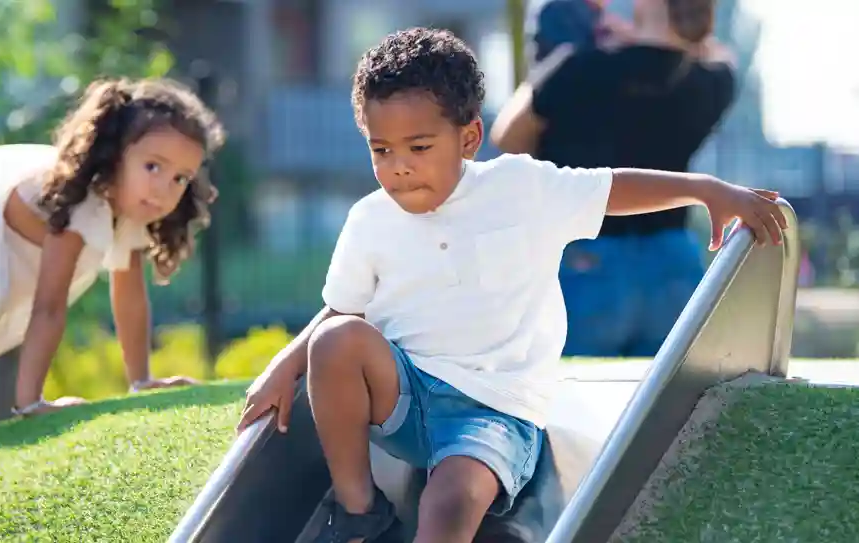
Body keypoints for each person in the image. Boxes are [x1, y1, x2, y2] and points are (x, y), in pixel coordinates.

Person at [237, 27, 785, 543]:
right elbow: (339, 312)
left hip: (492, 411)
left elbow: (612, 188)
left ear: (469, 137)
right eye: (382, 150)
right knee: (336, 340)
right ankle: (360, 511)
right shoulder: (370, 219)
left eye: (419, 147)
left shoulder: (520, 188)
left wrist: (705, 189)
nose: (399, 166)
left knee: (449, 503)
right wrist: (282, 367)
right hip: (405, 395)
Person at [0, 77, 225, 460]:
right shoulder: (79, 200)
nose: (164, 188)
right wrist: (30, 403)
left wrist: (142, 380)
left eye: (180, 178)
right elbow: (48, 305)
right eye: (153, 166)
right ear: (114, 155)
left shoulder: (130, 209)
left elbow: (130, 298)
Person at [492, 0, 737, 357]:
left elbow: (507, 138)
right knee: (667, 405)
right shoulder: (711, 81)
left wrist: (554, 63)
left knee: (574, 397)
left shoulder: (576, 68)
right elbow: (717, 54)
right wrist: (653, 34)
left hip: (588, 256)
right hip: (673, 259)